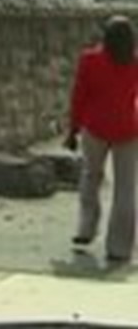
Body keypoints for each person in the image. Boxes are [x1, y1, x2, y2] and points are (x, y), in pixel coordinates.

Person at [67, 15, 138, 265]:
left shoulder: (90, 60)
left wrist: (72, 130)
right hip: (127, 130)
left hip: (95, 128)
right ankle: (119, 247)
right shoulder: (135, 63)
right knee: (125, 190)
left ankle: (86, 228)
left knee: (91, 177)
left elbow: (79, 96)